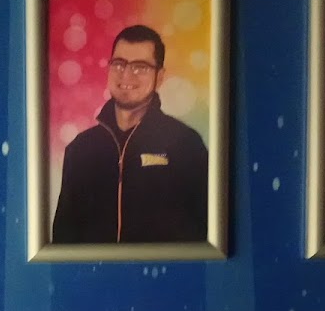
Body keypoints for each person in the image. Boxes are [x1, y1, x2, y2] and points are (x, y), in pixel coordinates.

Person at [51, 25, 209, 244]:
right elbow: (64, 238)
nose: (126, 74)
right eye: (119, 64)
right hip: (95, 268)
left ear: (160, 76)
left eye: (140, 67)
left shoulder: (186, 145)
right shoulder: (81, 149)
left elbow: (203, 234)